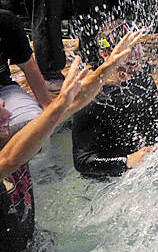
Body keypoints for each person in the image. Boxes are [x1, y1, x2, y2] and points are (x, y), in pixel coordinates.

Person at [1, 29, 143, 251]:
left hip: (33, 239)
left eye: (4, 107)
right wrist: (58, 106)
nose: (9, 114)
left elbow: (74, 104)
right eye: (0, 111)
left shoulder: (9, 137)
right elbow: (10, 159)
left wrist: (110, 66)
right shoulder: (10, 153)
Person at [71, 20, 158, 178]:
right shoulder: (92, 97)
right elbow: (82, 162)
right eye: (128, 49)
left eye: (138, 45)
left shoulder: (145, 81)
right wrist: (127, 161)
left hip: (144, 170)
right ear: (105, 54)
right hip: (107, 181)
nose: (137, 53)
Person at [0, 10, 52, 137]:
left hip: (4, 88)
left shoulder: (6, 21)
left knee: (35, 123)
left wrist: (50, 110)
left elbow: (28, 66)